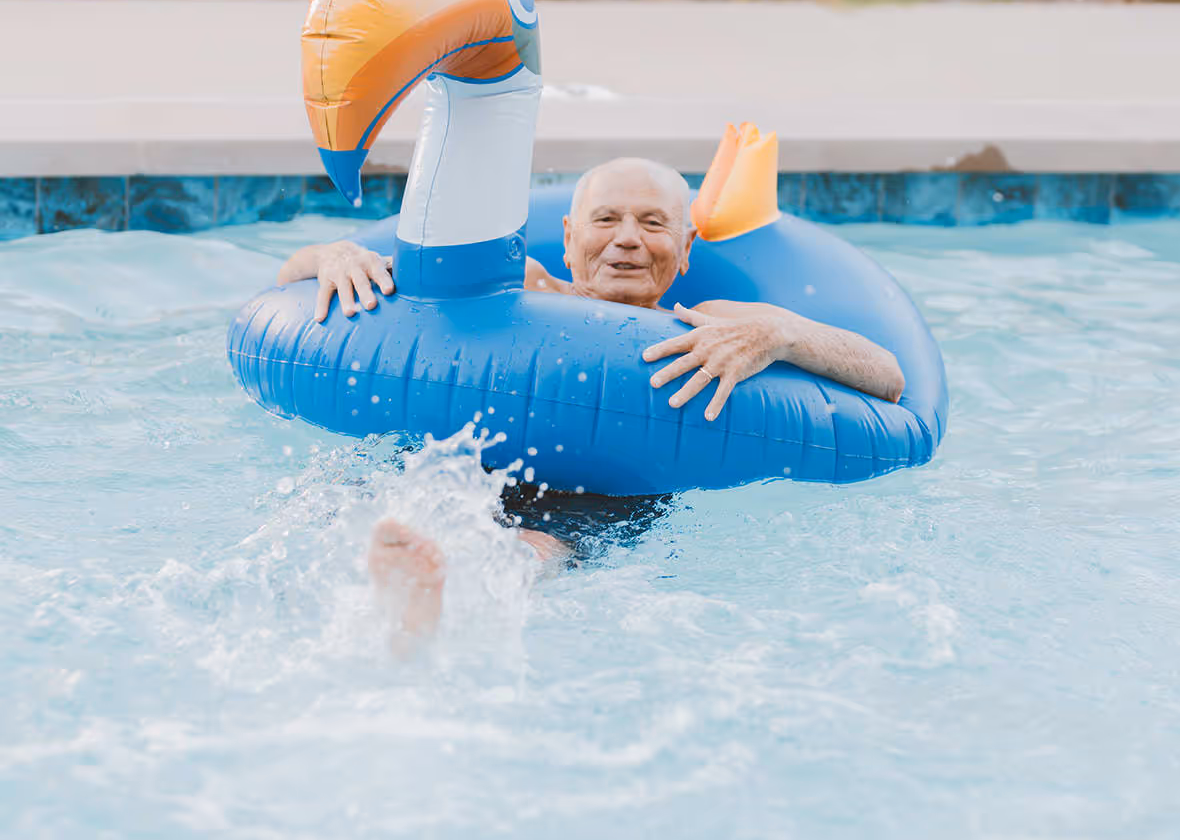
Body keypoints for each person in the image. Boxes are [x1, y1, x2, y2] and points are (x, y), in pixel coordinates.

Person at [278, 157, 905, 656]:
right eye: (607, 221)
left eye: (653, 224)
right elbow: (292, 280)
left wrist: (781, 336)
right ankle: (414, 586)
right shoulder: (513, 289)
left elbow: (888, 377)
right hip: (465, 455)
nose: (629, 241)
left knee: (549, 543)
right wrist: (335, 254)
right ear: (570, 239)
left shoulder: (710, 323)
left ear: (685, 249)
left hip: (612, 487)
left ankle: (457, 589)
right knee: (379, 492)